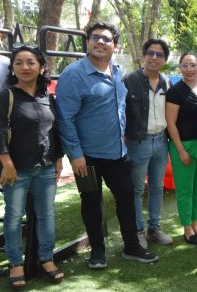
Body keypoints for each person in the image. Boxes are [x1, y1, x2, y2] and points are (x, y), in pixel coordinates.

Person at [56, 21, 158, 269]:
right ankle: (97, 252)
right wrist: (75, 155)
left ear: (115, 45)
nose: (100, 42)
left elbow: (120, 108)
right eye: (95, 37)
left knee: (126, 198)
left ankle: (132, 246)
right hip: (86, 157)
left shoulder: (118, 71)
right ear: (87, 42)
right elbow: (65, 118)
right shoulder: (73, 75)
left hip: (118, 153)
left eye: (106, 39)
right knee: (91, 201)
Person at [0, 45, 64, 290]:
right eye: (18, 63)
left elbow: (54, 130)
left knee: (46, 215)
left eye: (30, 62)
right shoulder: (7, 95)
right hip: (16, 169)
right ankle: (16, 264)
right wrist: (6, 163)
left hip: (45, 168)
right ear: (13, 68)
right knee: (14, 217)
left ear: (41, 67)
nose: (24, 67)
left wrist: (58, 157)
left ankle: (46, 258)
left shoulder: (48, 97)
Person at [123, 39, 173, 249]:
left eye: (159, 54)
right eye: (150, 53)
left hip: (161, 140)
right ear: (143, 56)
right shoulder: (128, 81)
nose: (154, 58)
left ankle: (154, 228)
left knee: (157, 186)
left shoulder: (166, 82)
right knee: (136, 189)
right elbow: (120, 112)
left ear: (165, 60)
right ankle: (138, 231)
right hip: (138, 142)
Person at [166, 52, 197, 244]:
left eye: (193, 65)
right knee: (185, 189)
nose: (189, 69)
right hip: (183, 145)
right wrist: (181, 151)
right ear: (180, 68)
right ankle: (186, 228)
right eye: (184, 65)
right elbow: (171, 124)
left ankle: (195, 224)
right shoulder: (175, 91)